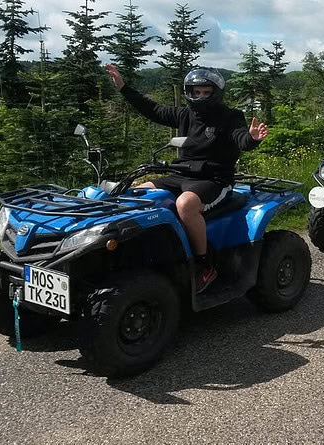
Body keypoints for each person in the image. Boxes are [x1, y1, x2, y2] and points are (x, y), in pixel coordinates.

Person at [106, 63, 269, 293]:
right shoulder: (185, 114)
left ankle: (204, 265)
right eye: (196, 92)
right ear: (189, 93)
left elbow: (240, 137)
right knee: (138, 194)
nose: (200, 96)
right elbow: (152, 109)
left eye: (206, 92)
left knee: (185, 205)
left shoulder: (230, 116)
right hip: (179, 175)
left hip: (214, 179)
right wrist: (123, 87)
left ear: (216, 92)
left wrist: (252, 138)